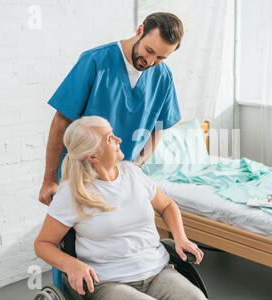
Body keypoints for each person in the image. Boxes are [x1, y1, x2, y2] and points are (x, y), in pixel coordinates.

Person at [34, 116, 206, 300]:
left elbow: (166, 205)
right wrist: (71, 265)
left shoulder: (133, 173)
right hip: (109, 282)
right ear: (93, 156)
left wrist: (181, 238)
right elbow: (43, 244)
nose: (119, 140)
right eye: (110, 138)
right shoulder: (72, 193)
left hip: (158, 271)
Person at [39, 12, 184, 206]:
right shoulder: (95, 61)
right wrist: (49, 180)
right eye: (149, 50)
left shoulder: (163, 77)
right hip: (80, 178)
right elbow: (61, 122)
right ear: (140, 31)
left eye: (160, 57)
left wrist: (136, 165)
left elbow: (159, 128)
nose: (150, 62)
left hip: (120, 181)